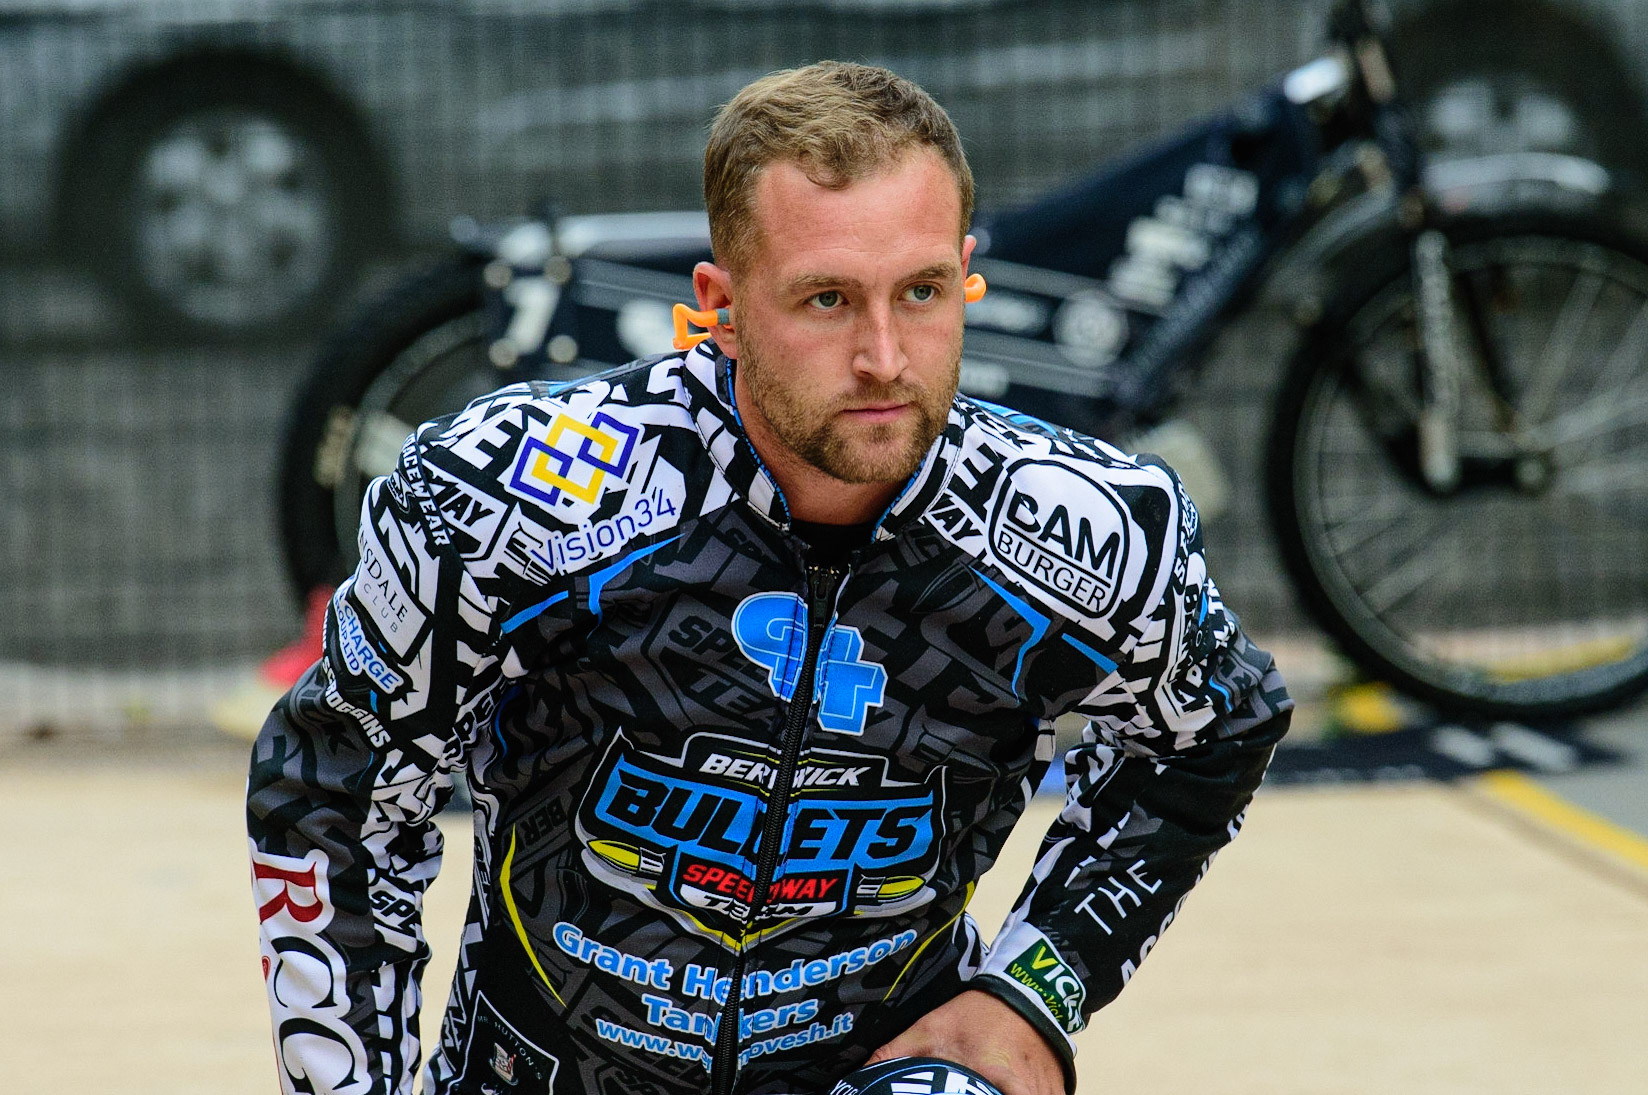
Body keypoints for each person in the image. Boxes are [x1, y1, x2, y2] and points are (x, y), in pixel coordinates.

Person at [247, 60, 1291, 1095]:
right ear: (722, 305)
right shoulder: (514, 495)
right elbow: (332, 786)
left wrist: (1034, 987)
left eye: (922, 292)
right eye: (827, 300)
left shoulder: (1086, 530)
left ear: (966, 275)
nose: (885, 356)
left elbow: (1217, 728)